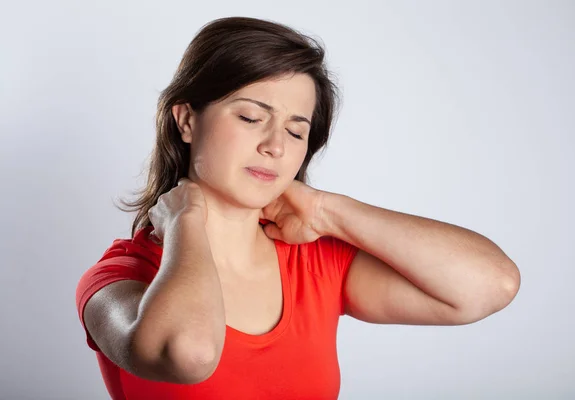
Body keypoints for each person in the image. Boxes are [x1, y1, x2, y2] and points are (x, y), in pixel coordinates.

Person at [75, 16, 521, 399]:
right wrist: (185, 218)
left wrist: (327, 211)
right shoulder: (119, 279)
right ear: (187, 120)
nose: (274, 145)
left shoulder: (314, 261)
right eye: (251, 117)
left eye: (295, 130)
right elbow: (188, 353)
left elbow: (491, 285)